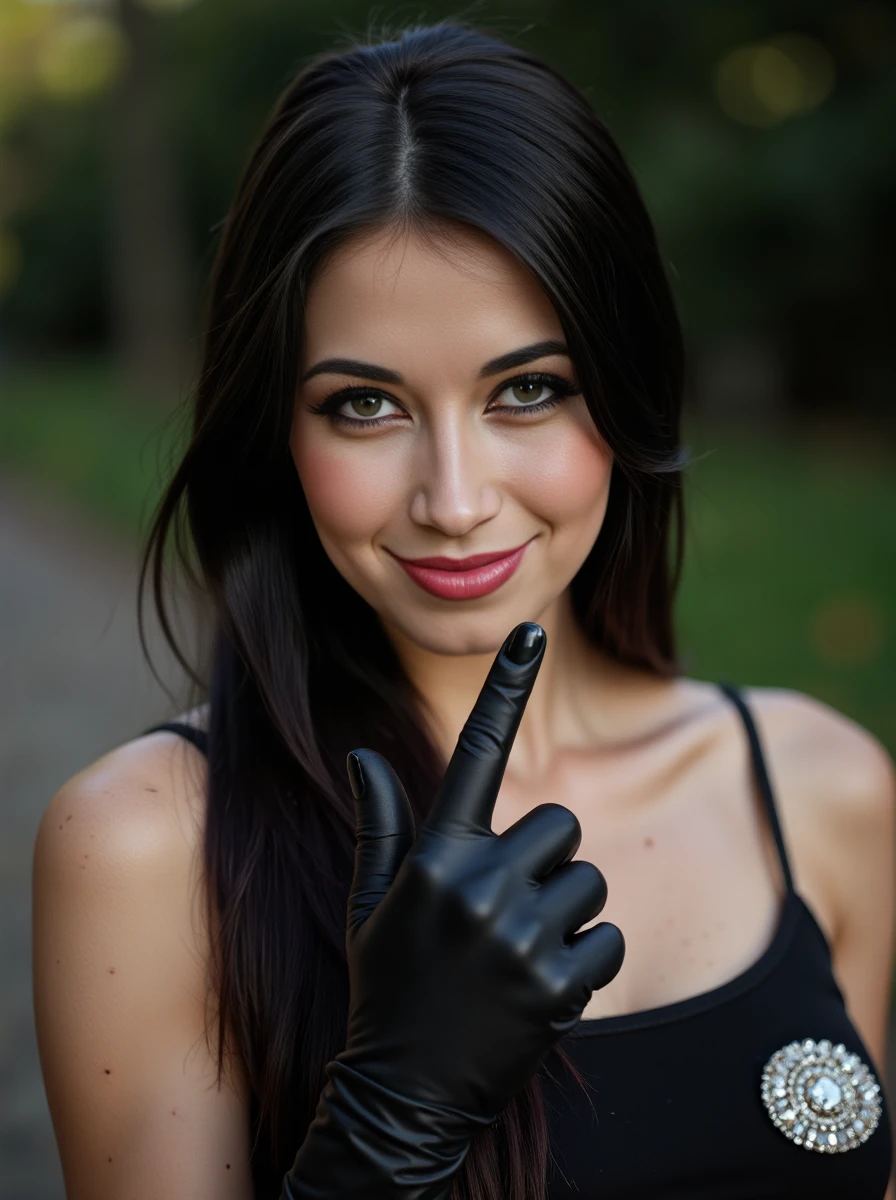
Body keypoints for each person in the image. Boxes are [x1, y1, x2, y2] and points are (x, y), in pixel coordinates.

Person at [31, 18, 895, 1200]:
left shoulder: (820, 788)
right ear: (274, 429)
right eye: (364, 406)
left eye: (526, 390)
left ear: (625, 388)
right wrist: (387, 1123)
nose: (452, 499)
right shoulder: (146, 851)